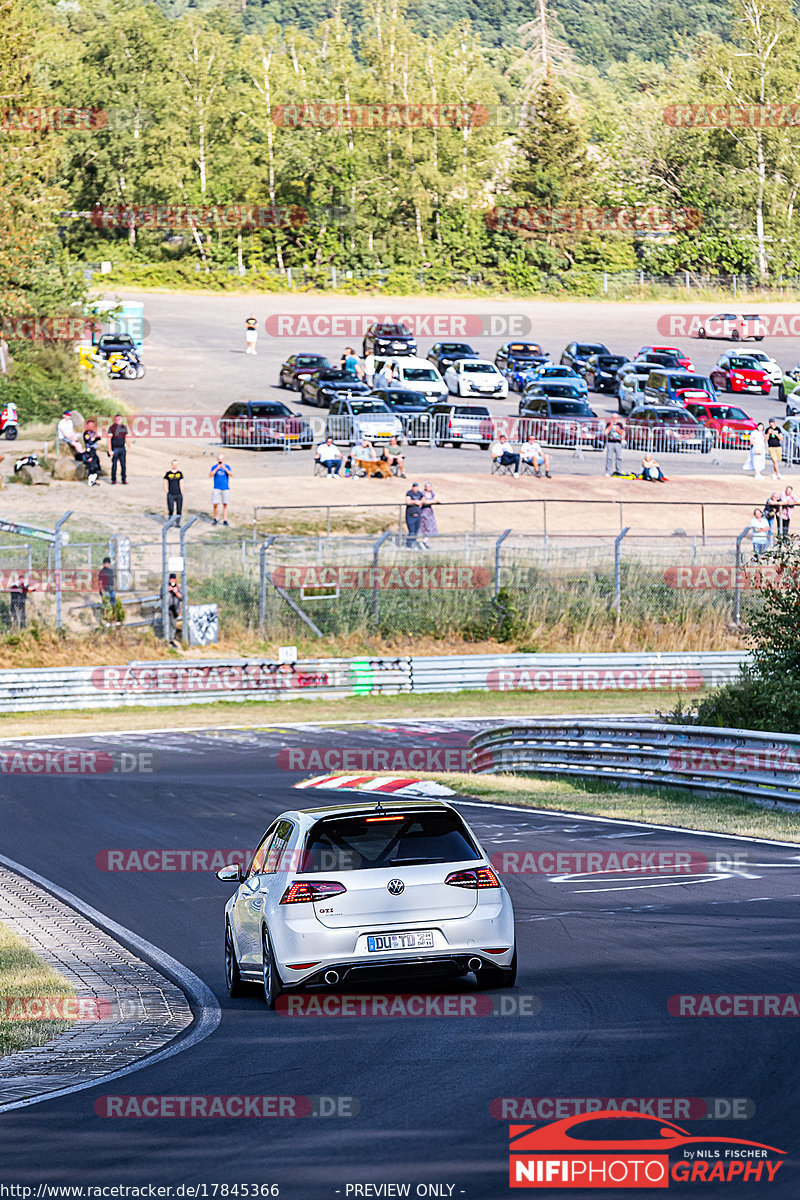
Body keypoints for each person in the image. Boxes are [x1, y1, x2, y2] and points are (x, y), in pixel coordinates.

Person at [107, 413, 130, 484]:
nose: (118, 420)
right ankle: (113, 479)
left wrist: (129, 446)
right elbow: (108, 440)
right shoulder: (112, 428)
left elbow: (126, 438)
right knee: (114, 465)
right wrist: (110, 450)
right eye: (116, 419)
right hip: (115, 449)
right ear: (114, 420)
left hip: (122, 448)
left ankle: (124, 479)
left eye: (119, 419)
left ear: (121, 420)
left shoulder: (124, 427)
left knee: (123, 465)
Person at [209, 455, 231, 524]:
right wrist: (217, 469)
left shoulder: (227, 466)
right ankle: (216, 518)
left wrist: (225, 469)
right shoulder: (214, 467)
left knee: (225, 503)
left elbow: (231, 474)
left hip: (225, 487)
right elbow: (210, 475)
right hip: (216, 487)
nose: (220, 460)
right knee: (215, 503)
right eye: (219, 459)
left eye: (221, 459)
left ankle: (225, 519)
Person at [418, 482, 439, 548]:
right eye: (427, 486)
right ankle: (422, 542)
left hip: (430, 512)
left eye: (429, 486)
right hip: (424, 512)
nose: (428, 488)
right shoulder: (422, 493)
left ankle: (424, 542)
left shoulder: (432, 493)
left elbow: (437, 500)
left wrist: (430, 501)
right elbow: (424, 501)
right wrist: (431, 501)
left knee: (430, 527)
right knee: (425, 527)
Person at [82, 418, 102, 486]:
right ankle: (90, 481)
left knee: (96, 465)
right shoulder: (86, 433)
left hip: (94, 451)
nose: (91, 426)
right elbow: (89, 441)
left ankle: (93, 480)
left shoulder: (93, 432)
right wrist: (96, 439)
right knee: (91, 466)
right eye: (89, 425)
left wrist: (97, 438)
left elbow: (96, 438)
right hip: (89, 451)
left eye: (92, 425)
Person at [405, 481, 423, 548]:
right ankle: (409, 545)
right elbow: (408, 501)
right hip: (410, 515)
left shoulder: (419, 493)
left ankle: (414, 543)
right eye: (414, 486)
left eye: (416, 487)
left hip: (418, 515)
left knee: (416, 531)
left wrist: (421, 501)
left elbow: (423, 499)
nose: (415, 488)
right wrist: (416, 502)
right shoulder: (409, 493)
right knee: (411, 531)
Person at [167, 572, 182, 645]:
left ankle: (171, 640)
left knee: (173, 624)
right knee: (166, 623)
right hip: (167, 609)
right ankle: (166, 639)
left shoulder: (177, 587)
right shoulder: (165, 586)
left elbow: (181, 597)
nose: (172, 581)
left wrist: (175, 591)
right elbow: (161, 596)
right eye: (171, 579)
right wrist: (167, 590)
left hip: (174, 609)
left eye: (174, 580)